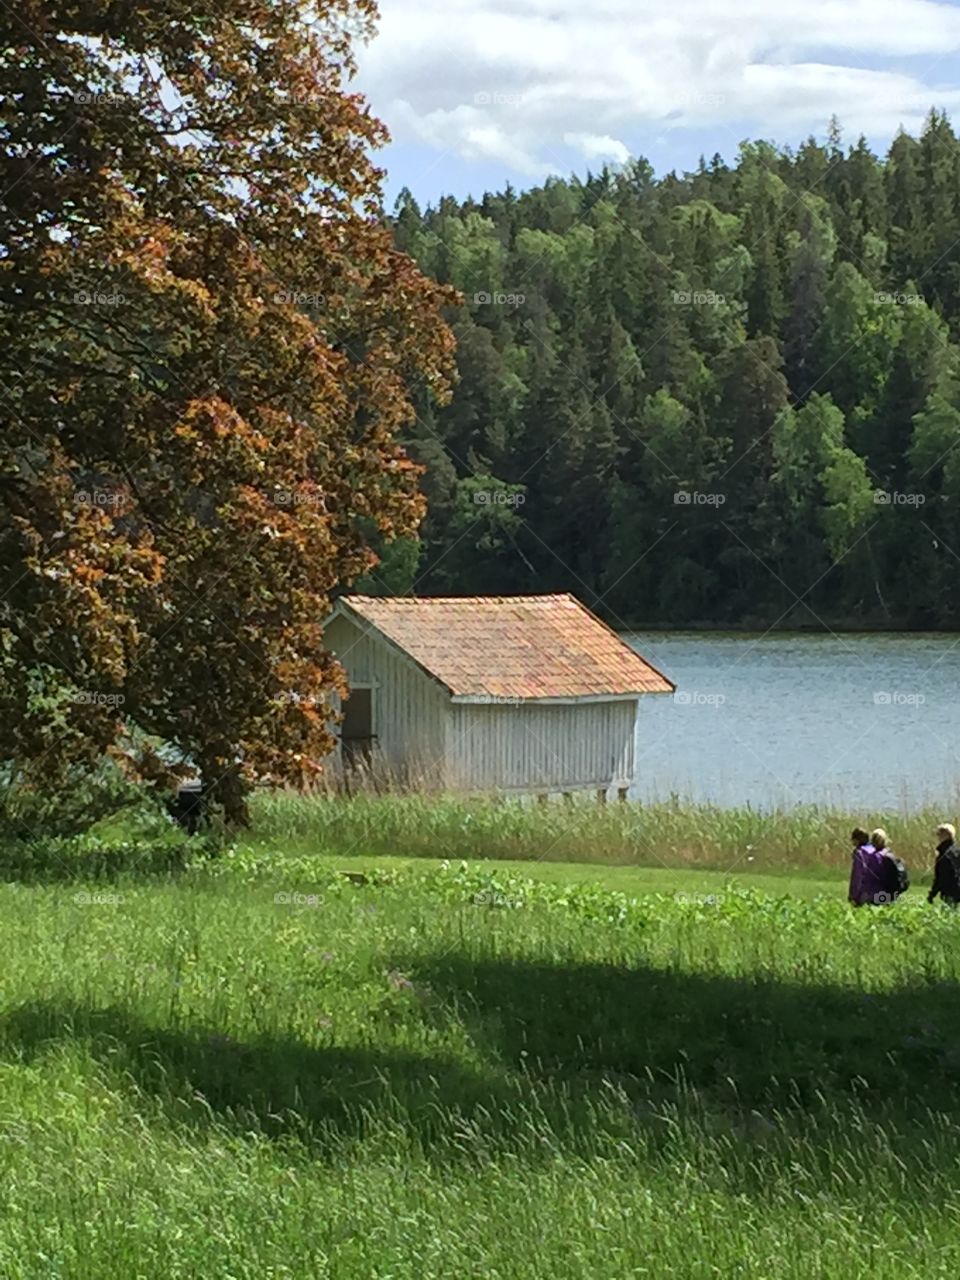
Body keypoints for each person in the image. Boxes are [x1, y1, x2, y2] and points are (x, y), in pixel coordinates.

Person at [848, 827, 883, 907]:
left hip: (864, 894)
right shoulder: (876, 850)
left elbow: (857, 876)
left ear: (857, 840)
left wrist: (853, 896)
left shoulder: (859, 853)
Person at [928, 822, 960, 906]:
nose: (938, 837)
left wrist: (932, 894)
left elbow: (941, 876)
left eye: (939, 834)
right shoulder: (957, 851)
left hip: (950, 892)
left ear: (946, 835)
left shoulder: (944, 854)